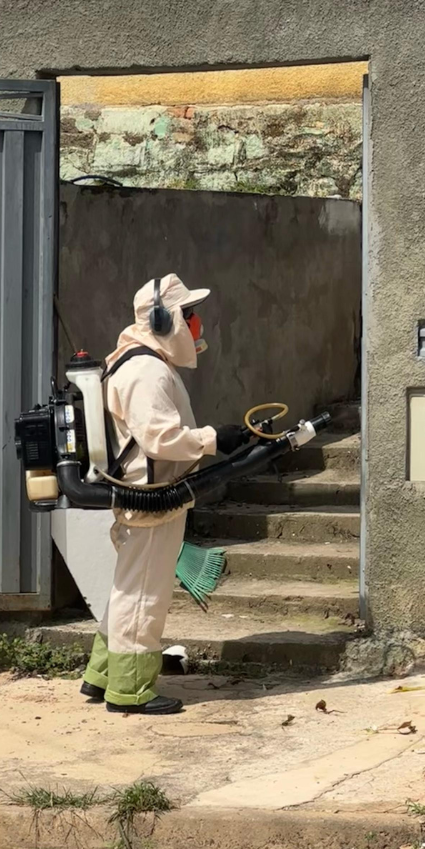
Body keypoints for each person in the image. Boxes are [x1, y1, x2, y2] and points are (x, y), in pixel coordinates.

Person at [79, 274, 248, 715]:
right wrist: (213, 439)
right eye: (188, 316)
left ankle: (102, 677)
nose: (196, 326)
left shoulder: (142, 361)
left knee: (128, 589)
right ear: (162, 319)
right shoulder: (145, 369)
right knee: (143, 596)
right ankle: (131, 692)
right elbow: (158, 438)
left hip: (151, 495)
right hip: (150, 497)